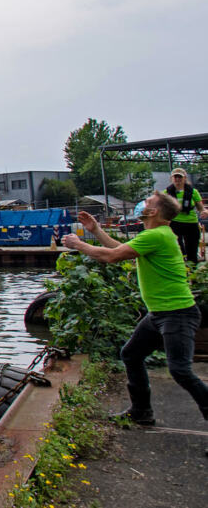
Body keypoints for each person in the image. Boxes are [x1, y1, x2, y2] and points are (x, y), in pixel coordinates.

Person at [62, 191, 207, 428]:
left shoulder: (158, 235)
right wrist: (96, 231)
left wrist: (79, 244)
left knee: (180, 371)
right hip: (160, 314)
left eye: (148, 202)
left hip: (177, 313)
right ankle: (141, 412)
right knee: (131, 354)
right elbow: (122, 249)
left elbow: (112, 257)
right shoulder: (154, 235)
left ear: (154, 212)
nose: (143, 204)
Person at [165, 167, 208, 264]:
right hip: (174, 223)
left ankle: (193, 274)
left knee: (192, 251)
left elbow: (200, 207)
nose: (177, 179)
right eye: (175, 177)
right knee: (178, 250)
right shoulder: (166, 193)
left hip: (190, 223)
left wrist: (204, 211)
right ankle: (181, 271)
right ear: (172, 178)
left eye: (180, 177)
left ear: (185, 178)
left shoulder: (193, 192)